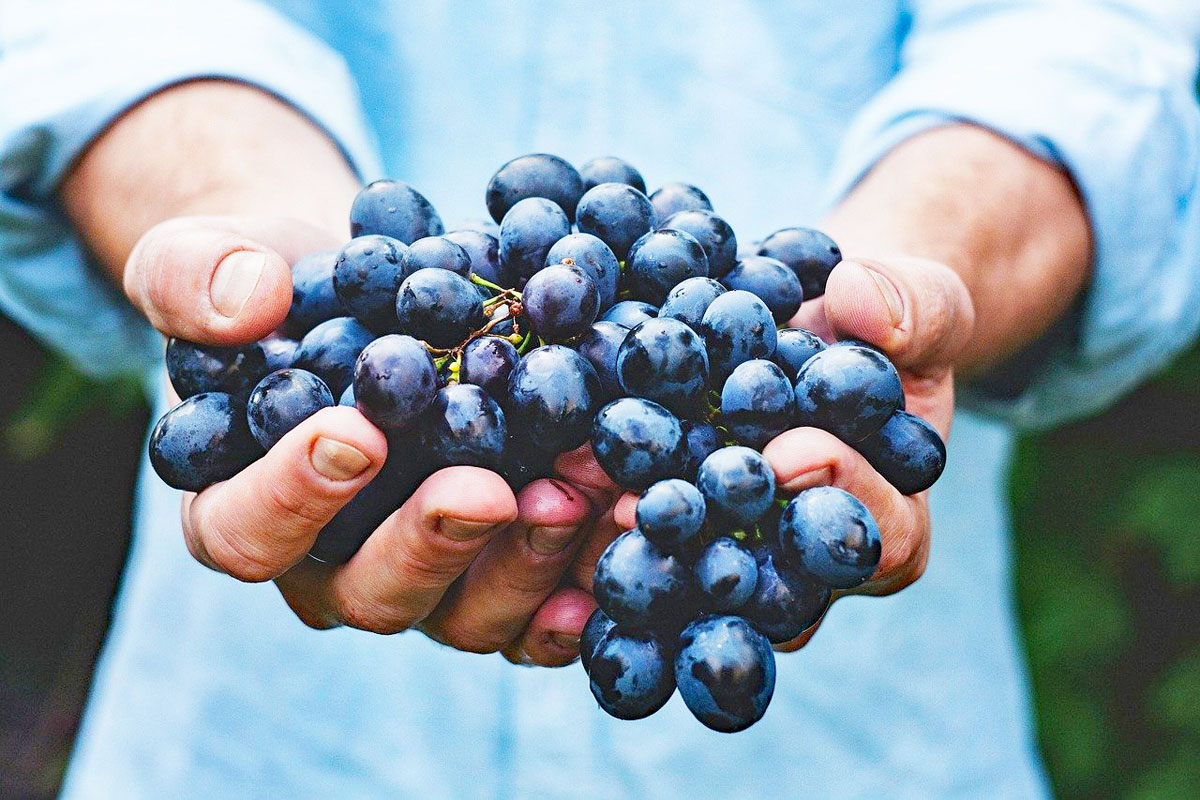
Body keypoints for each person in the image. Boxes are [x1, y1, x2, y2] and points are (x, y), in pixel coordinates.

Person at [2, 1, 1199, 797]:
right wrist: (243, 229)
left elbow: (1092, 42)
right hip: (262, 743)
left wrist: (906, 270)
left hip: (857, 746)